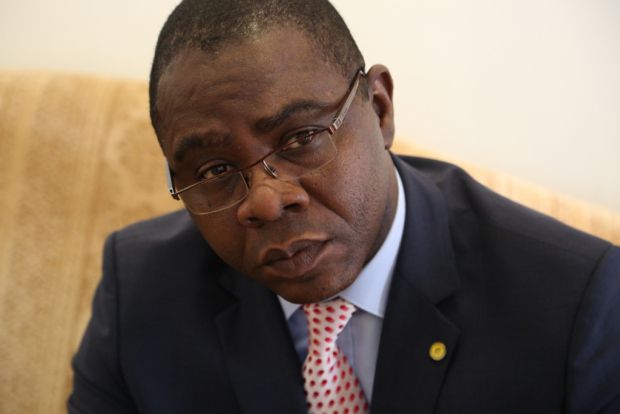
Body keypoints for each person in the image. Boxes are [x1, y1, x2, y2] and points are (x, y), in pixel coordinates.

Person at [68, 0, 620, 413]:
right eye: (214, 171)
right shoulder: (141, 289)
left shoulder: (575, 304)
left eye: (300, 137)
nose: (265, 201)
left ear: (379, 109)